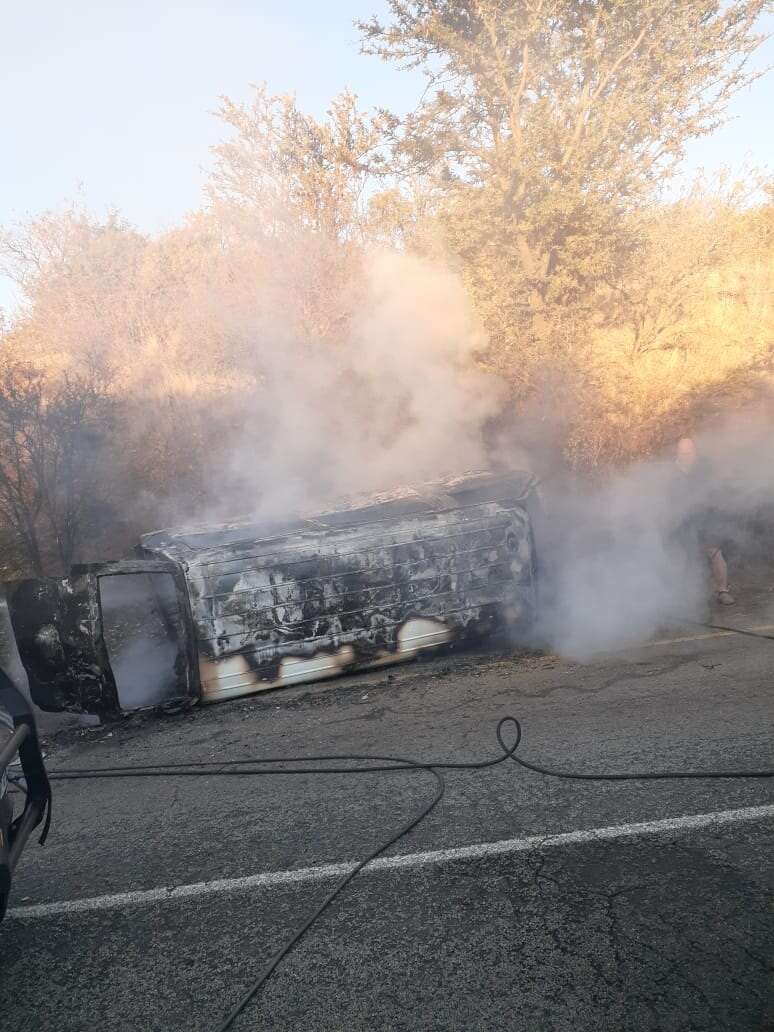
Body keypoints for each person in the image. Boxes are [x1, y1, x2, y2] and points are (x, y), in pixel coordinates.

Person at [672, 437, 735, 606]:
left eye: (690, 451)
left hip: (706, 516)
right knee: (683, 556)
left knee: (715, 553)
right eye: (683, 452)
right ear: (677, 452)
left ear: (695, 451)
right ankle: (685, 594)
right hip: (682, 519)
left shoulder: (705, 466)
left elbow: (715, 489)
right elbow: (667, 497)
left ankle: (722, 590)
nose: (687, 455)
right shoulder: (670, 471)